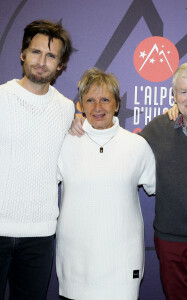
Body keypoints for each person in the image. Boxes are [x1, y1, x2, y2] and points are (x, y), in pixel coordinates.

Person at [69, 62, 187, 300]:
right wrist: (81, 124)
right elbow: (118, 148)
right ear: (173, 95)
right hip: (170, 242)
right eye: (184, 91)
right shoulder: (157, 128)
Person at [56, 68, 156, 300]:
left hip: (122, 263)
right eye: (90, 100)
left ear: (117, 104)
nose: (97, 107)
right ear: (80, 104)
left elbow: (161, 188)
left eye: (105, 100)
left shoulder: (137, 146)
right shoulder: (65, 142)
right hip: (76, 262)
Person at [0, 20, 74, 299]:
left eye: (51, 55)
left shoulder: (67, 109)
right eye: (36, 52)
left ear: (60, 65)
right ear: (22, 54)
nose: (42, 62)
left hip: (40, 235)